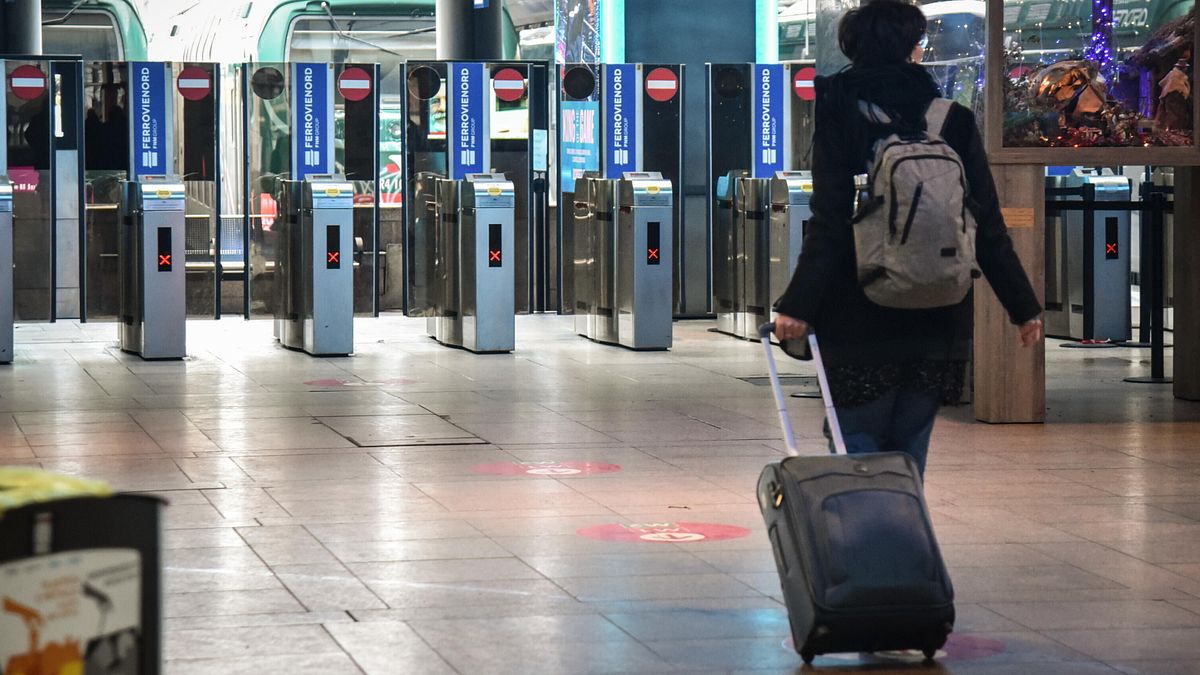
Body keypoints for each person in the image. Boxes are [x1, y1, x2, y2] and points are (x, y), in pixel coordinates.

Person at [772, 0, 1043, 478]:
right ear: (911, 50)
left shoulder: (841, 110)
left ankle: (865, 524)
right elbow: (986, 221)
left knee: (856, 446)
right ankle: (901, 522)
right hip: (937, 309)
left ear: (854, 50)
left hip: (858, 307)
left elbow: (830, 220)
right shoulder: (951, 118)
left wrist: (798, 304)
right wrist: (1023, 307)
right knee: (909, 451)